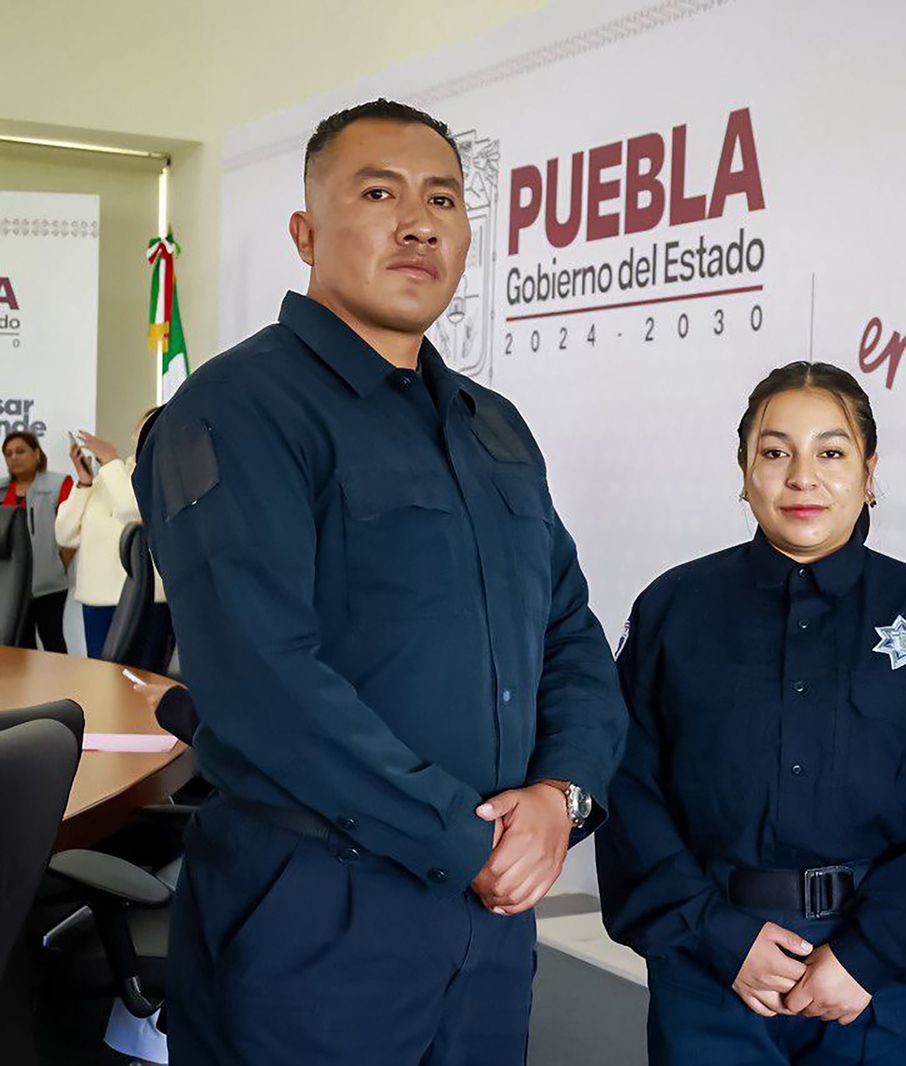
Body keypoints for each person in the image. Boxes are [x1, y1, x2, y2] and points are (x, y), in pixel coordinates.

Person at [132, 98, 628, 1065]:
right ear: (305, 233)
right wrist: (467, 841)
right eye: (379, 193)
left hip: (488, 923)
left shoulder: (493, 426)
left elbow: (569, 632)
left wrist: (559, 797)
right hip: (316, 914)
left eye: (442, 199)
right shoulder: (235, 410)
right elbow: (264, 682)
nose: (419, 223)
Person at [597, 361, 906, 1065]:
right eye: (776, 451)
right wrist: (716, 936)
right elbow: (626, 786)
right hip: (712, 966)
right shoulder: (674, 609)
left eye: (831, 453)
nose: (803, 477)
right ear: (744, 470)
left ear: (870, 472)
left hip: (874, 980)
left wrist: (869, 956)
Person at [55, 416, 163, 660]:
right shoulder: (110, 476)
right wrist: (84, 483)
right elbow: (65, 535)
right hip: (96, 601)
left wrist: (110, 460)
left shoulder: (161, 473)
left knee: (143, 677)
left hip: (147, 601)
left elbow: (132, 510)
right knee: (101, 679)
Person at [1, 430, 74, 652]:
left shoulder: (59, 484)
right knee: (18, 644)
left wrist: (60, 564)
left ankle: (60, 677)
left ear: (36, 453)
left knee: (52, 639)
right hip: (11, 585)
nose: (14, 457)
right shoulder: (2, 490)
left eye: (20, 451)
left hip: (50, 584)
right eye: (8, 454)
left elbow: (71, 530)